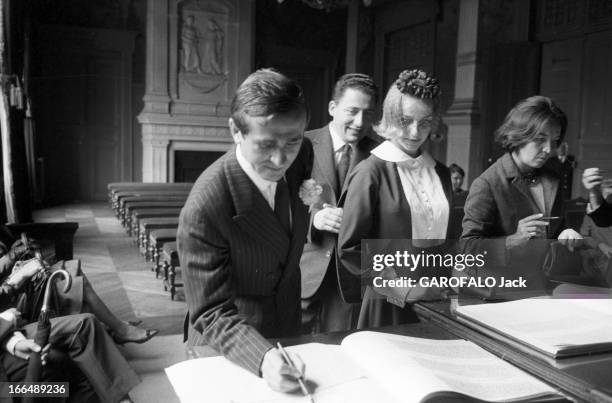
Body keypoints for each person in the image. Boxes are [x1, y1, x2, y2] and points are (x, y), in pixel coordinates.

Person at [177, 69, 313, 392]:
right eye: (265, 145)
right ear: (235, 132)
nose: (281, 159)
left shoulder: (302, 155)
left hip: (288, 329)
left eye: (293, 141)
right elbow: (210, 312)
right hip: (230, 344)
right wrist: (263, 357)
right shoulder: (206, 206)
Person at [338, 69, 454, 329]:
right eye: (405, 120)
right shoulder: (371, 172)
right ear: (391, 118)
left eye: (424, 122)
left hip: (437, 301)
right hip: (387, 303)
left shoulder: (441, 172)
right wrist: (403, 290)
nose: (415, 132)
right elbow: (350, 249)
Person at [461, 96, 583, 291]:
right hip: (498, 291)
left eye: (555, 141)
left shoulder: (553, 179)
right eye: (540, 139)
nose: (548, 149)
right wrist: (513, 240)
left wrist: (566, 234)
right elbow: (468, 249)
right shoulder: (487, 183)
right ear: (518, 135)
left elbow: (557, 229)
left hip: (542, 286)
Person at [300, 73, 380, 333]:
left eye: (367, 114)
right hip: (303, 272)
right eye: (352, 111)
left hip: (350, 279)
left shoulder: (380, 155)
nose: (360, 122)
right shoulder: (301, 145)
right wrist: (314, 219)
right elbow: (280, 205)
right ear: (332, 108)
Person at [0, 235, 157, 344]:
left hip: (12, 286)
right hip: (9, 306)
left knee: (71, 271)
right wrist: (15, 276)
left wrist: (12, 258)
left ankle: (113, 327)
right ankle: (119, 329)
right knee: (72, 284)